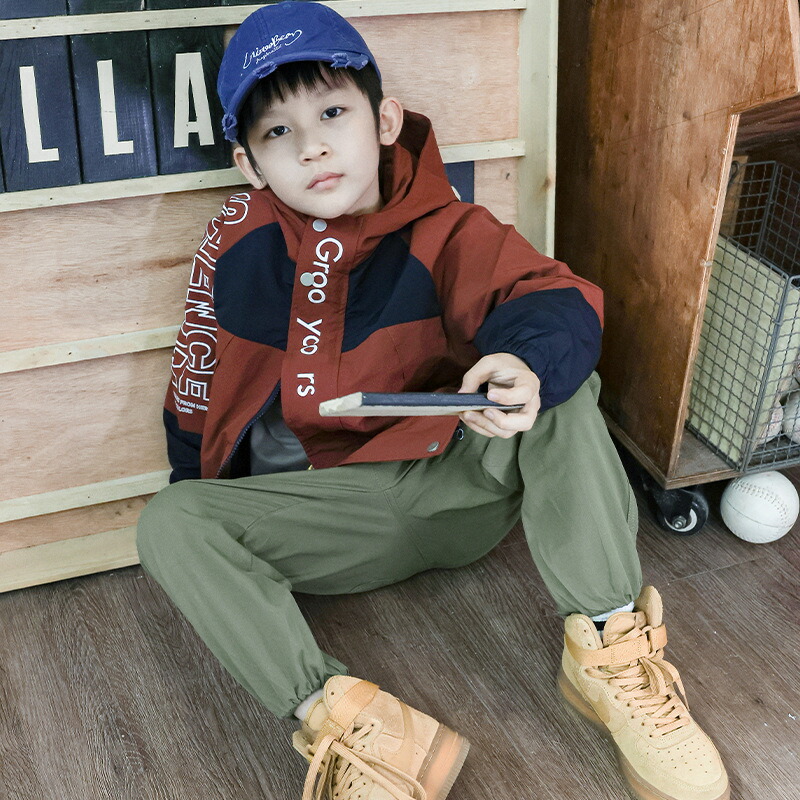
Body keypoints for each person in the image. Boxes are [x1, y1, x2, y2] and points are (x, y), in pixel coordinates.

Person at [136, 3, 729, 799]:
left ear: (383, 122)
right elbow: (198, 379)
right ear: (250, 164)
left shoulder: (449, 227)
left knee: (558, 384)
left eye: (333, 113)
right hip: (332, 516)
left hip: (456, 487)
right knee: (169, 521)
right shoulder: (236, 245)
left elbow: (553, 297)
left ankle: (608, 650)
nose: (311, 145)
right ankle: (355, 731)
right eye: (279, 132)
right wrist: (204, 515)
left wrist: (520, 365)